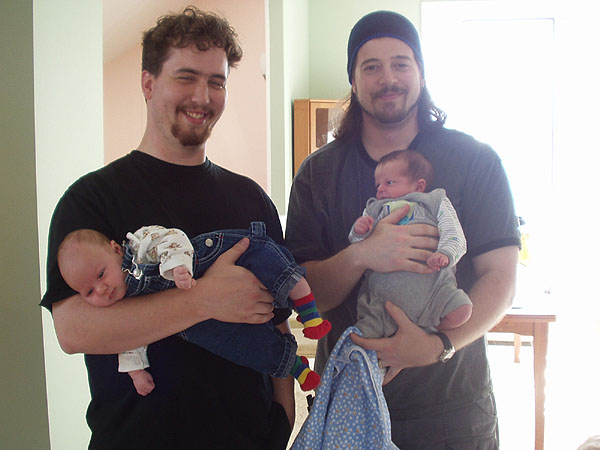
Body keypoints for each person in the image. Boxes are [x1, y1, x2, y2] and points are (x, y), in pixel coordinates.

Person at [41, 7, 294, 449]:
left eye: (217, 82)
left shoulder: (251, 199)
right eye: (186, 77)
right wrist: (204, 300)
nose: (203, 96)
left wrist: (282, 419)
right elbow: (74, 330)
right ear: (148, 83)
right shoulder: (90, 200)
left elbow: (278, 323)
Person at [285, 10, 520, 449]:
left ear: (421, 73)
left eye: (401, 63)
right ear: (353, 81)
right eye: (371, 67)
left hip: (453, 412)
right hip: (349, 404)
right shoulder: (318, 173)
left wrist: (439, 344)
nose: (388, 78)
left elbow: (501, 278)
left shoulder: (476, 161)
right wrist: (363, 254)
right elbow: (303, 293)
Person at [57, 225, 329, 395]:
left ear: (116, 250)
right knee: (250, 346)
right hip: (202, 329)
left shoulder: (139, 245)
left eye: (101, 274)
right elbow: (128, 339)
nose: (102, 289)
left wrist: (177, 267)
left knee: (268, 261)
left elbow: (172, 238)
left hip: (205, 259)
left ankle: (309, 313)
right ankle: (295, 366)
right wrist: (136, 372)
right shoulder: (121, 303)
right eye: (89, 292)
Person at [349, 150, 472, 339]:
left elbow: (453, 231)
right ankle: (361, 349)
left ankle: (430, 330)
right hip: (384, 298)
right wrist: (359, 231)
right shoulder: (374, 209)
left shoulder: (434, 202)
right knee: (365, 333)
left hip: (434, 289)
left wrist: (446, 253)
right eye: (378, 184)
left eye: (389, 182)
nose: (380, 189)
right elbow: (358, 248)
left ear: (419, 185)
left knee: (462, 310)